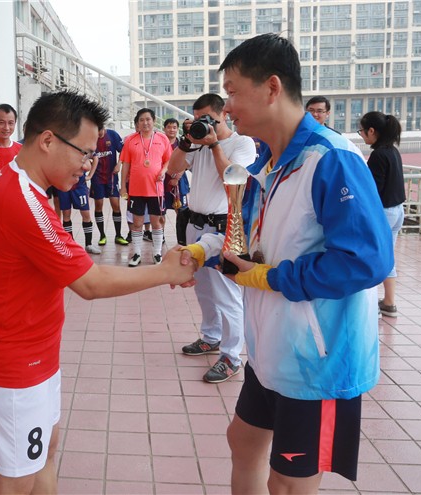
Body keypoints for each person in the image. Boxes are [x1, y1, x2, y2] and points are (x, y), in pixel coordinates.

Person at [182, 34, 392, 493]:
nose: (226, 107)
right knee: (243, 441)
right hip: (269, 350)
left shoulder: (331, 159)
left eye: (233, 92)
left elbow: (366, 262)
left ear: (272, 87)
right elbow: (248, 235)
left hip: (317, 363)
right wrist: (204, 251)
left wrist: (271, 278)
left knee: (289, 482)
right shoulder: (268, 162)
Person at [0, 90, 195, 495]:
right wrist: (164, 272)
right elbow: (89, 282)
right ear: (47, 140)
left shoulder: (25, 186)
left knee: (44, 455)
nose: (88, 165)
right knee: (14, 481)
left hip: (36, 358)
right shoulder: (23, 200)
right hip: (14, 368)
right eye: (85, 153)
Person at [168, 93, 256, 383]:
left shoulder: (242, 143)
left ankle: (232, 356)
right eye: (198, 119)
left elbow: (232, 178)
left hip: (223, 228)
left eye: (209, 119)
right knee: (203, 288)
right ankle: (211, 336)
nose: (204, 123)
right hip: (194, 224)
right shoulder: (197, 142)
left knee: (227, 294)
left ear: (224, 115)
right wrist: (186, 141)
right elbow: (173, 169)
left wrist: (214, 144)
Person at [358, 111, 406, 317]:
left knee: (371, 258)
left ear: (371, 130)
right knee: (386, 256)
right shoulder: (392, 151)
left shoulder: (378, 155)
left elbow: (373, 190)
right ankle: (389, 302)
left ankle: (371, 307)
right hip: (398, 211)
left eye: (361, 131)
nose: (361, 135)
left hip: (384, 213)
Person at [120, 108, 172, 266]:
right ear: (137, 123)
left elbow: (168, 160)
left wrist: (163, 171)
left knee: (157, 223)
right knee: (137, 223)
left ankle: (157, 254)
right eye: (141, 120)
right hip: (136, 190)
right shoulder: (130, 140)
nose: (145, 123)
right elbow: (125, 165)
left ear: (154, 121)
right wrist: (123, 187)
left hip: (156, 190)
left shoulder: (162, 139)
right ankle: (136, 254)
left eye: (148, 119)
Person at [90, 125, 128, 246]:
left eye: (100, 131)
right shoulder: (90, 137)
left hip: (111, 177)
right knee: (98, 205)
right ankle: (102, 235)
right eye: (96, 131)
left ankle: (118, 235)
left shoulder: (112, 135)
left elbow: (124, 150)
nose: (99, 134)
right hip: (97, 178)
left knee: (116, 205)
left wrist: (119, 164)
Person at [57, 159, 100, 254]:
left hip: (79, 186)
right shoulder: (60, 150)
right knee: (66, 214)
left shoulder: (81, 150)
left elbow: (94, 158)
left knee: (86, 214)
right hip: (64, 184)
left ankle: (88, 244)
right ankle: (70, 244)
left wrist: (90, 175)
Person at [162, 118, 191, 246]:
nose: (171, 130)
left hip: (180, 183)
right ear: (164, 129)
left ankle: (182, 239)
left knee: (181, 212)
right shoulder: (160, 143)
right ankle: (160, 236)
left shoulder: (183, 144)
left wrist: (177, 177)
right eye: (169, 127)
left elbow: (188, 162)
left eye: (174, 127)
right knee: (160, 211)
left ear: (177, 129)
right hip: (163, 182)